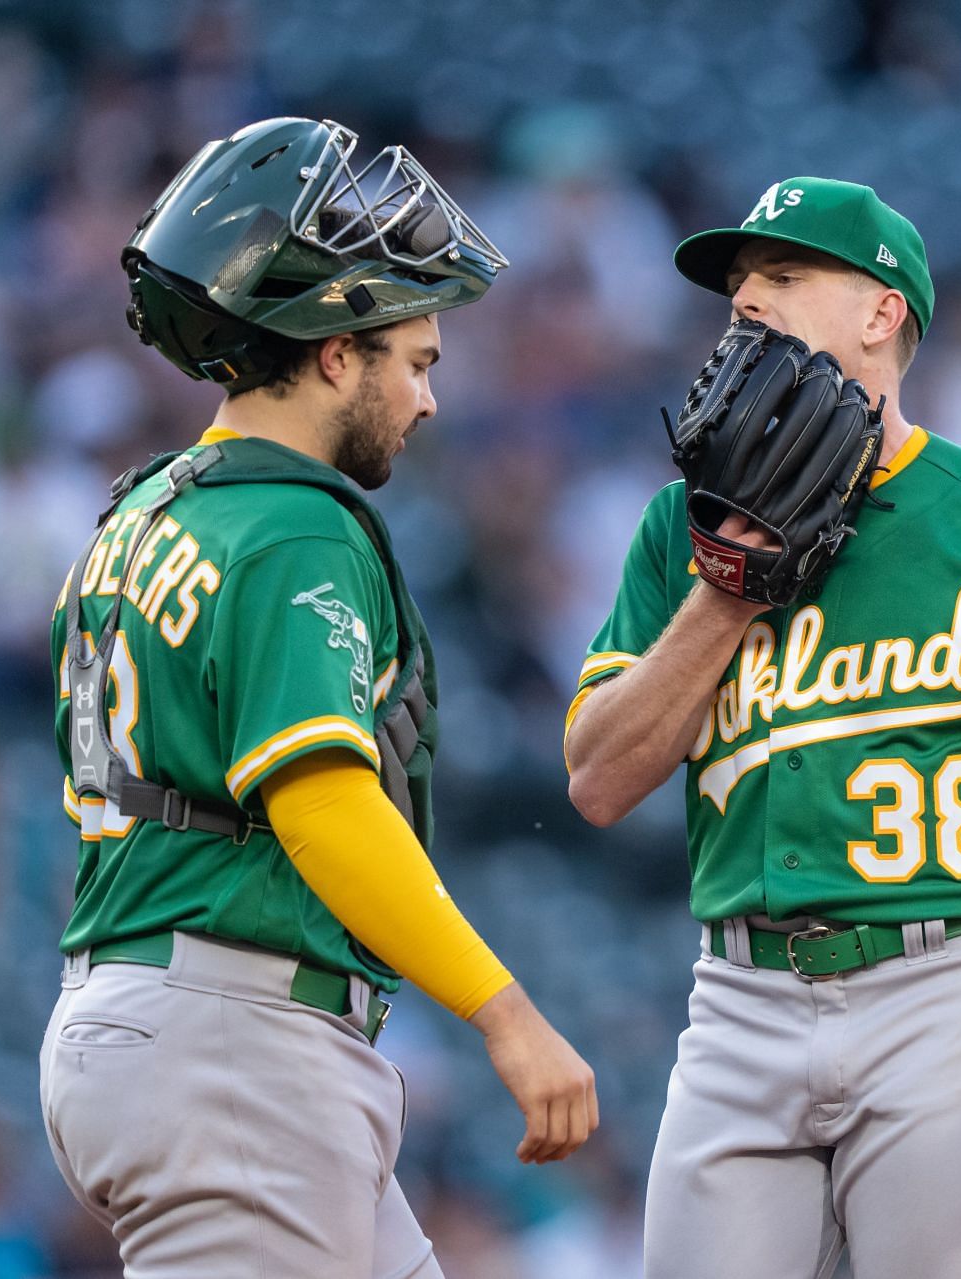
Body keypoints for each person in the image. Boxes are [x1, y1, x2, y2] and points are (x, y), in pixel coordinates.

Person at [565, 176, 961, 1277]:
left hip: (946, 991)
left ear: (884, 312)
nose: (745, 301)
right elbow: (597, 780)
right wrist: (730, 584)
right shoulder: (677, 528)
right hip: (741, 993)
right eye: (736, 287)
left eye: (783, 278)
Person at [38, 117, 596, 1279]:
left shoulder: (144, 513)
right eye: (417, 358)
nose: (429, 397)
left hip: (165, 1012)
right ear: (337, 352)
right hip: (230, 1042)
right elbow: (321, 800)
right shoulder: (292, 525)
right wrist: (508, 1017)